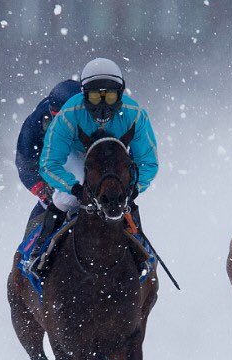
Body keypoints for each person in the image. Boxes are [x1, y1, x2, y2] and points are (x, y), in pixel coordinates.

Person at [33, 58, 159, 274]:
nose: (102, 105)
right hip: (78, 155)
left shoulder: (134, 114)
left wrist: (133, 190)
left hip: (115, 161)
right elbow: (49, 163)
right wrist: (74, 187)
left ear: (119, 94)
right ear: (84, 95)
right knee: (65, 199)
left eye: (109, 97)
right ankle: (40, 254)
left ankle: (142, 256)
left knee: (121, 199)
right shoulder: (68, 115)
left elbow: (148, 162)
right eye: (94, 96)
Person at [15, 79, 81, 226]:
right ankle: (33, 248)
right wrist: (43, 192)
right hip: (55, 183)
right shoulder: (34, 125)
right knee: (33, 236)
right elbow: (25, 163)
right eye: (57, 119)